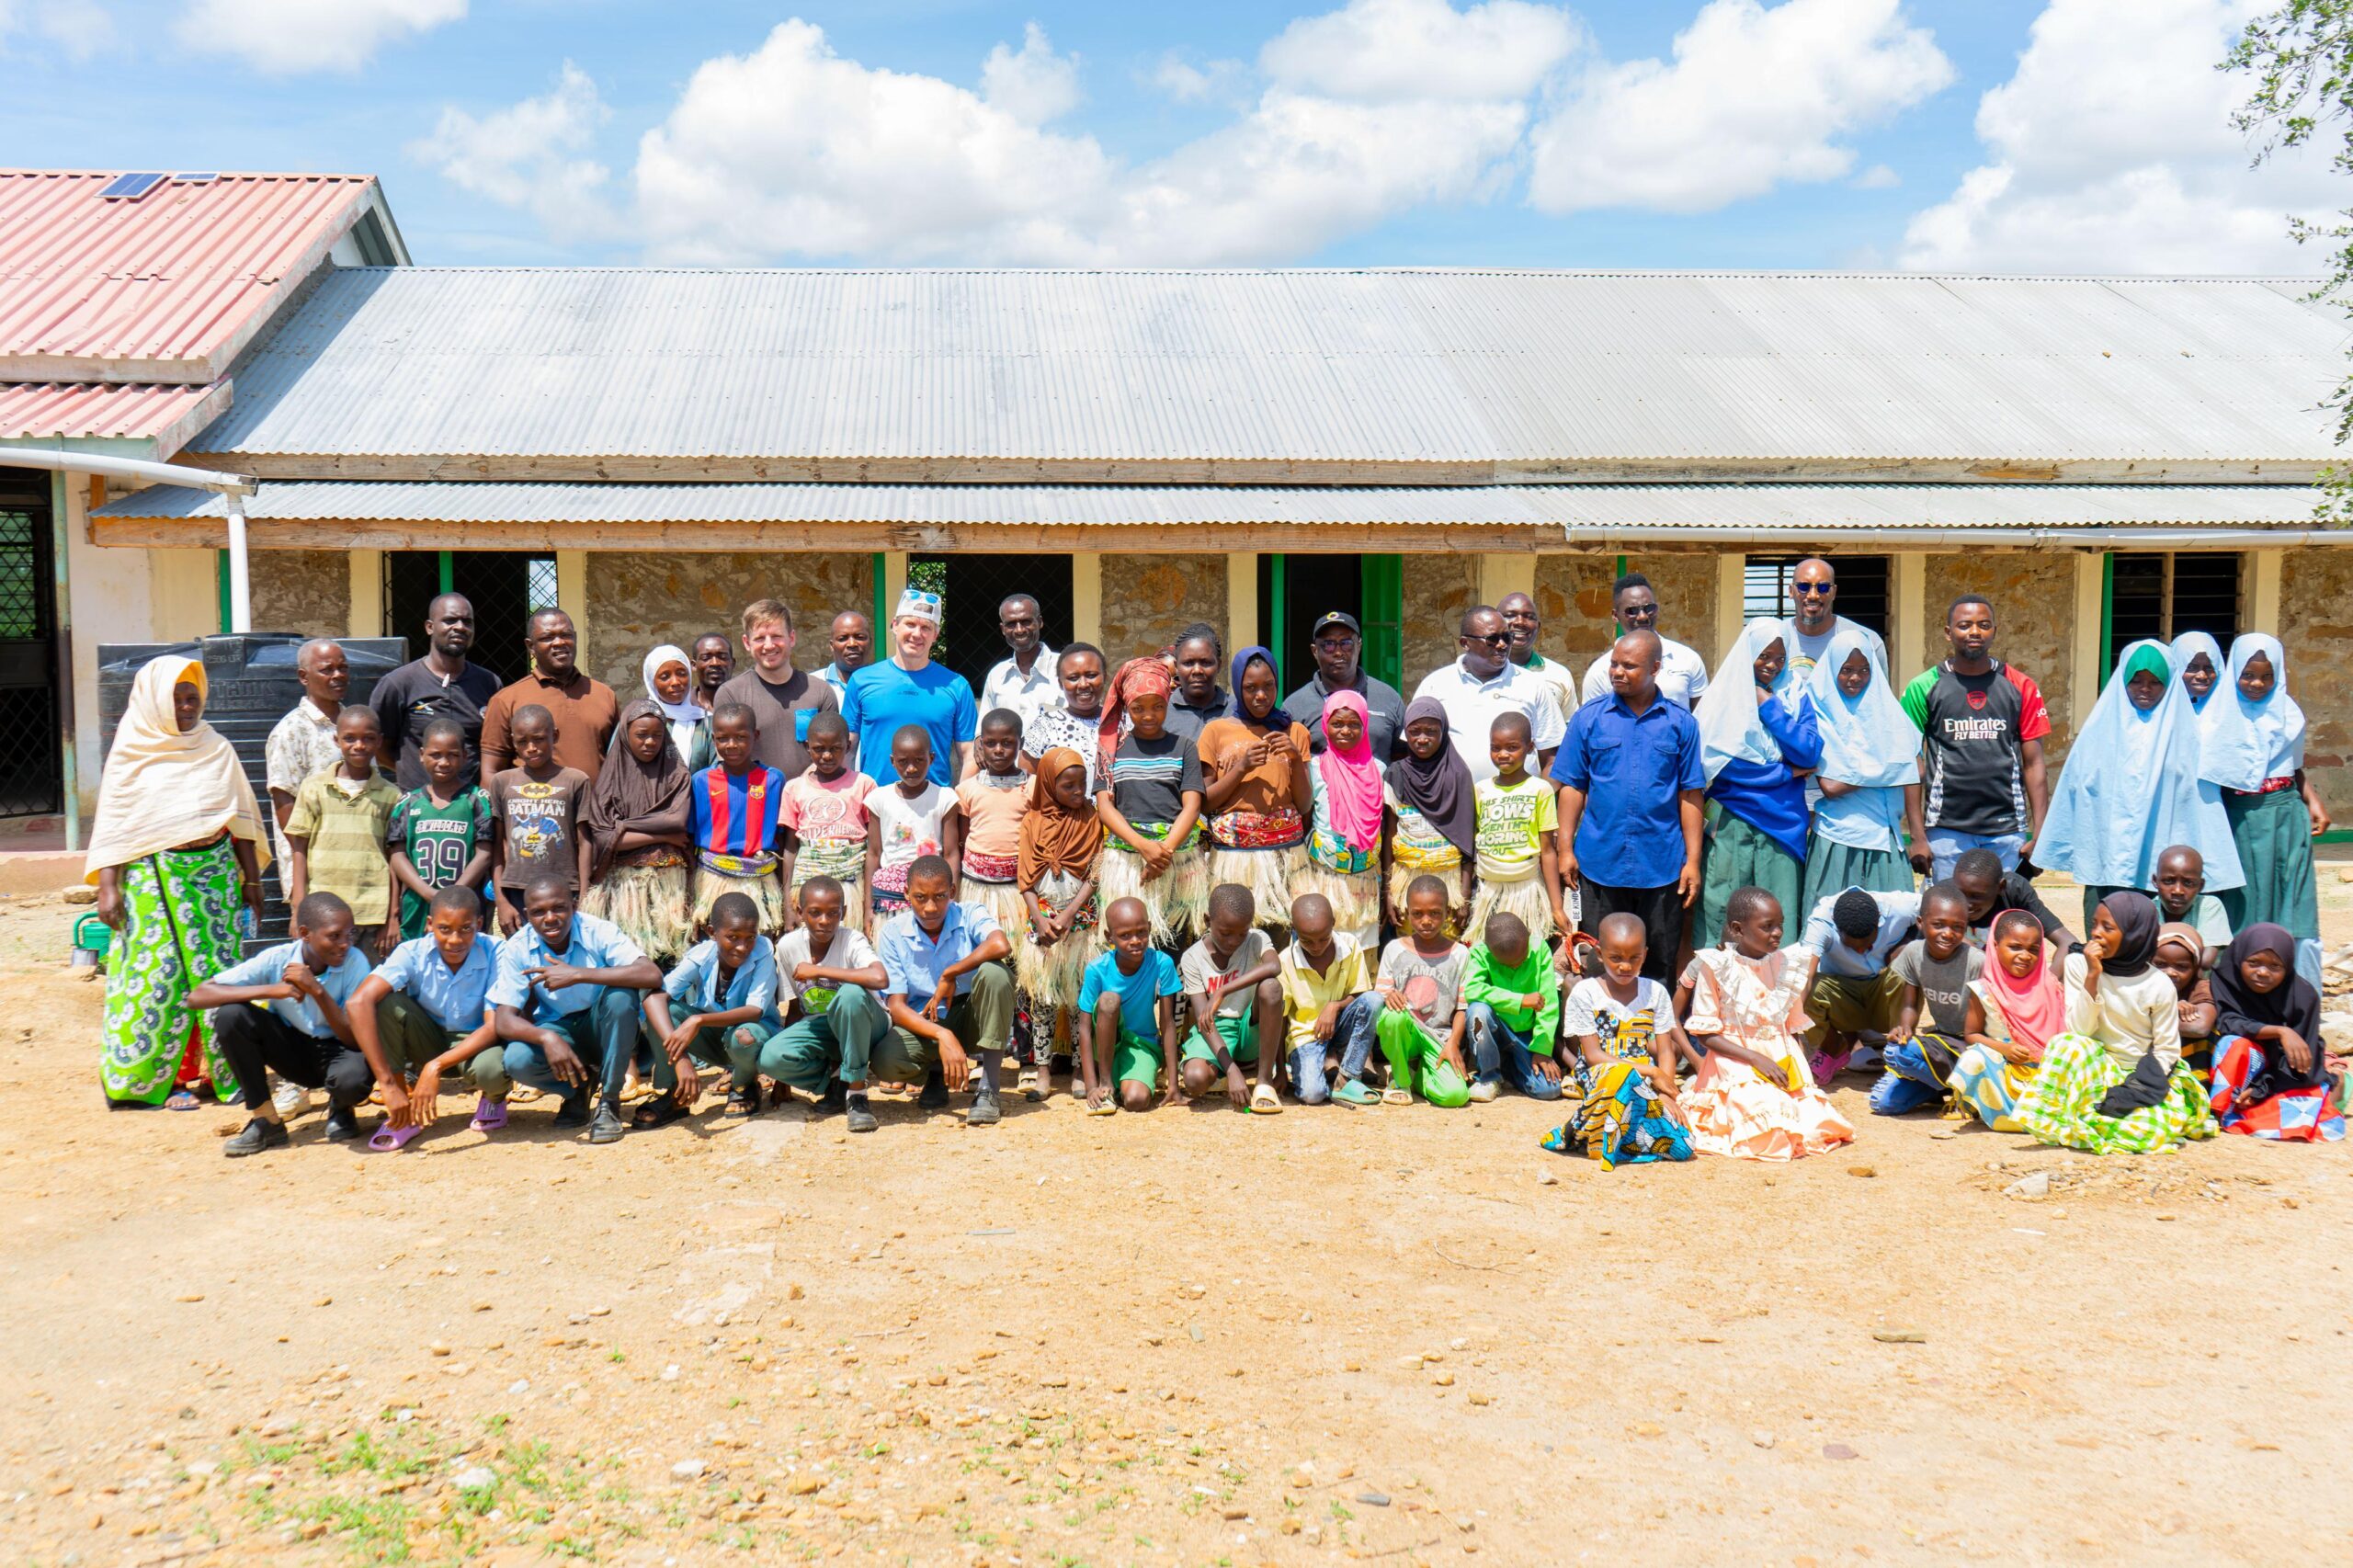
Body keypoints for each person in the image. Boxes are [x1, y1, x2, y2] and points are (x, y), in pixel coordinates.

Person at [89, 655, 268, 1109]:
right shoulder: (133, 752)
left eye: (193, 698)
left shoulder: (216, 748)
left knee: (219, 974)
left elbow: (239, 820)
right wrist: (108, 888)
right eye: (177, 698)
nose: (187, 707)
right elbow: (116, 825)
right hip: (154, 882)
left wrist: (252, 880)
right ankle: (161, 1082)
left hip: (215, 881)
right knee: (159, 978)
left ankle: (220, 1072)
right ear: (153, 701)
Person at [2035, 639, 2243, 931]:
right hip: (2107, 853)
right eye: (2136, 681)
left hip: (2161, 855)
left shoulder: (2187, 736)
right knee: (2106, 930)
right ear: (2122, 680)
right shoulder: (2098, 732)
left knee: (2155, 934)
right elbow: (2077, 792)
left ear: (2169, 685)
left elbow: (2197, 802)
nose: (2145, 689)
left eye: (2155, 682)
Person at [1553, 631, 1705, 983]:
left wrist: (1693, 862)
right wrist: (1565, 850)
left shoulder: (1681, 724)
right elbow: (1573, 787)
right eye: (1614, 664)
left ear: (1655, 668)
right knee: (1597, 960)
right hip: (1598, 863)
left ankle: (1652, 1035)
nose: (1617, 672)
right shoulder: (1588, 719)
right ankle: (1599, 1035)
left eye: (1629, 666)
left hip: (1662, 865)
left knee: (1658, 961)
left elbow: (1690, 794)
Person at [2015, 892, 2215, 1153]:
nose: (2096, 933)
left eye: (2107, 927)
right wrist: (2093, 976)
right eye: (2095, 924)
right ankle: (2072, 1116)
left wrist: (2128, 1093)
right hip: (2095, 1068)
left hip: (2140, 1076)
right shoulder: (2079, 965)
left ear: (2135, 934)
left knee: (2146, 1134)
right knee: (2065, 1043)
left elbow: (2167, 1051)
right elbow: (2079, 1030)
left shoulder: (2158, 984)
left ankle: (2095, 1116)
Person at [1674, 887, 1856, 1161]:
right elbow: (1706, 1035)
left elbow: (1792, 1029)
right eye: (1767, 926)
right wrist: (1756, 1059)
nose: (1778, 933)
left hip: (1782, 1061)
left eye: (1780, 925)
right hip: (1733, 1063)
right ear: (1738, 929)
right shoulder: (1716, 966)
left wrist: (1798, 1071)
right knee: (1764, 1118)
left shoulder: (1787, 964)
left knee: (1813, 1120)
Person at [195, 892, 375, 1154]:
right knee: (231, 1015)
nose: (345, 944)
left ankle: (341, 1107)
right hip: (293, 1049)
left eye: (350, 934)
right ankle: (267, 1121)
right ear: (305, 933)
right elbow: (198, 996)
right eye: (334, 936)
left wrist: (317, 991)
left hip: (340, 1048)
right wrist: (271, 990)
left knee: (353, 1081)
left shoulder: (355, 961)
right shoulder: (277, 958)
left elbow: (353, 1038)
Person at [488, 873, 663, 1143]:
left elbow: (651, 974)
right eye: (538, 912)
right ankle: (578, 1088)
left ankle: (609, 1102)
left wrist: (579, 974)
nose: (549, 918)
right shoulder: (518, 948)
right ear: (526, 914)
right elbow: (504, 1020)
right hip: (560, 1030)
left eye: (559, 907)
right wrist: (547, 1037)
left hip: (605, 1026)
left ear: (574, 905)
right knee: (517, 1059)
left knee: (620, 997)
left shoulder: (597, 930)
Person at [1901, 596, 2051, 881]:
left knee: (2004, 919)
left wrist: (2041, 831)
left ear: (1994, 630)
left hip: (2007, 832)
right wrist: (1917, 836)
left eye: (1983, 625)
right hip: (1946, 831)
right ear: (1948, 632)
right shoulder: (1924, 686)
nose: (1974, 632)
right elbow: (1910, 763)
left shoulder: (2021, 686)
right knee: (1946, 915)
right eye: (1964, 625)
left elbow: (2034, 764)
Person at [347, 885, 506, 1149]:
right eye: (445, 929)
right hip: (428, 1038)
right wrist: (387, 1084)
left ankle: (494, 1098)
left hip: (476, 1044)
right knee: (386, 1002)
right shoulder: (411, 952)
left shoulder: (496, 951)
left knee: (494, 1072)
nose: (455, 940)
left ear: (479, 924)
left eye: (466, 929)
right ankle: (402, 1112)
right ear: (430, 925)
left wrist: (435, 1067)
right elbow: (357, 1002)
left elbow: (493, 1027)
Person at [1695, 619, 1821, 948]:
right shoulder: (1724, 697)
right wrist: (1782, 773)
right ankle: (1718, 989)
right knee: (1723, 910)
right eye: (1764, 656)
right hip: (1732, 823)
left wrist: (1769, 706)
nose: (1772, 666)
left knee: (1777, 918)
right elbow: (1724, 768)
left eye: (1780, 658)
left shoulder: (1794, 693)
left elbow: (1808, 752)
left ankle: (1778, 994)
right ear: (1747, 653)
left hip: (1783, 825)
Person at [1543, 911, 1696, 1168]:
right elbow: (1593, 1056)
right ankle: (1594, 1131)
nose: (1625, 966)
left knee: (1684, 1146)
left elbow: (1666, 1050)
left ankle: (1607, 1138)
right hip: (1602, 1079)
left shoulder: (1655, 993)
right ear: (1600, 954)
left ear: (1645, 955)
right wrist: (1652, 1071)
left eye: (1634, 958)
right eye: (1616, 958)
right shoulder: (1586, 993)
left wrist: (1665, 1092)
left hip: (1644, 1086)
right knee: (1619, 1076)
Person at [874, 855, 1017, 1126]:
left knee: (996, 972)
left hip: (973, 1018)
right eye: (920, 897)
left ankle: (989, 1088)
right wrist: (943, 1035)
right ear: (906, 894)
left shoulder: (970, 913)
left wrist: (952, 972)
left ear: (952, 892)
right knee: (885, 1061)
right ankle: (936, 1075)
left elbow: (1000, 945)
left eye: (940, 896)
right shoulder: (893, 932)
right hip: (929, 1022)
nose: (930, 907)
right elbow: (896, 1006)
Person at [742, 876, 892, 1132]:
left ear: (843, 913)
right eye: (815, 913)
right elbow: (797, 1007)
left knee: (851, 995)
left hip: (867, 1023)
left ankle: (857, 1094)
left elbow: (879, 978)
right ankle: (835, 1081)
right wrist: (781, 1078)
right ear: (800, 913)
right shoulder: (789, 946)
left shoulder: (852, 940)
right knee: (770, 1058)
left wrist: (820, 972)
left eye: (833, 913)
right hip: (822, 1027)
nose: (825, 921)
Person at [2208, 634, 2327, 943]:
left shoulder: (2288, 713)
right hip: (2239, 817)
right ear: (2234, 673)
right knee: (2244, 898)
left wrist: (2312, 801)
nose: (2257, 684)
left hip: (2286, 814)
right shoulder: (2218, 716)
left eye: (2266, 676)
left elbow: (2292, 764)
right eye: (2248, 675)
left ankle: (2288, 971)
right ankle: (2240, 972)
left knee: (2290, 897)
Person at [1798, 628, 1921, 918]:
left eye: (1864, 670)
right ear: (1831, 669)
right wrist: (1889, 769)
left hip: (1885, 838)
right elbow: (1830, 786)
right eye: (1846, 670)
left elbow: (1916, 769)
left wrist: (1918, 836)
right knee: (1828, 927)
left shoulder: (1888, 712)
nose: (1855, 678)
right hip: (1836, 837)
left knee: (1891, 925)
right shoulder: (1817, 711)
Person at [1197, 646, 1313, 937]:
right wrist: (1242, 768)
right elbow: (1206, 803)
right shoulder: (1216, 731)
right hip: (1233, 860)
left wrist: (1296, 760)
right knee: (1234, 936)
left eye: (1269, 686)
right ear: (1238, 687)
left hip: (1284, 858)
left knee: (1282, 935)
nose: (1261, 695)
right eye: (1250, 688)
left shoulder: (1293, 731)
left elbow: (1304, 804)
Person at [635, 891, 779, 1126]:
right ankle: (676, 1094)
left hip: (755, 1038)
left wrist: (698, 1021)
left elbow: (755, 1011)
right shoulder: (702, 955)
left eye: (750, 937)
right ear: (712, 932)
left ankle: (744, 1085)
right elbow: (654, 998)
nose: (742, 947)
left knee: (743, 1035)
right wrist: (681, 1059)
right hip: (716, 1039)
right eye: (733, 937)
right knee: (665, 1012)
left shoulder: (763, 952)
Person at [1096, 658, 1209, 947]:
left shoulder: (1184, 747)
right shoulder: (1112, 749)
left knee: (1176, 941)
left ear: (1168, 702)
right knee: (1131, 943)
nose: (1148, 716)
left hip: (1178, 859)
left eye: (1157, 706)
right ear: (1127, 706)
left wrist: (1164, 851)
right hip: (1127, 860)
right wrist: (1143, 846)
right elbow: (1105, 807)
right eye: (1138, 708)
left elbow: (1192, 806)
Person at [580, 699, 695, 964]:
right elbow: (604, 838)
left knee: (668, 954)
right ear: (625, 734)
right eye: (641, 735)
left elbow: (677, 820)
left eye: (657, 735)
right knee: (630, 956)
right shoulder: (610, 780)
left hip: (670, 887)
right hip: (625, 890)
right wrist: (662, 835)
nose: (650, 742)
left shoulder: (677, 775)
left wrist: (625, 825)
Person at [284, 706, 401, 957]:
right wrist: (299, 910)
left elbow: (395, 859)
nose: (359, 745)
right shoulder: (313, 788)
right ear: (336, 740)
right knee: (322, 984)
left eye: (368, 738)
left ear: (379, 741)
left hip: (371, 913)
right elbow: (299, 850)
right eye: (350, 738)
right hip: (321, 914)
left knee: (366, 985)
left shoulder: (392, 795)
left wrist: (392, 917)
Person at [2208, 924, 2342, 1142]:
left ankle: (2335, 1083)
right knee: (2233, 1044)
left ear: (2288, 967)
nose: (2262, 972)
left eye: (2275, 966)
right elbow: (2228, 1022)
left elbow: (2301, 1064)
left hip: (2281, 1076)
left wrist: (2263, 1088)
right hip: (2237, 1068)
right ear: (2239, 958)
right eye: (2253, 963)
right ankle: (2220, 1109)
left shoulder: (2303, 997)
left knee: (2309, 1109)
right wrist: (2280, 1031)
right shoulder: (2224, 980)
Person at [1015, 746, 1104, 1059]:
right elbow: (1025, 879)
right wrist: (1040, 919)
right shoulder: (1032, 822)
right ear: (1050, 784)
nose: (1079, 791)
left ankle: (1082, 1068)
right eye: (1068, 786)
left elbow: (1095, 874)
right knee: (1044, 997)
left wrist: (1069, 913)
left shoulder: (1091, 818)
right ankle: (1042, 1068)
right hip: (1042, 920)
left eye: (1082, 783)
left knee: (1083, 996)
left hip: (1081, 920)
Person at [1867, 883, 1983, 1116]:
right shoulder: (1913, 953)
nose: (1948, 933)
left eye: (1957, 927)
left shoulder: (1977, 962)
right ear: (1920, 923)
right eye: (1938, 925)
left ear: (1966, 928)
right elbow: (1910, 1005)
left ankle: (1961, 1082)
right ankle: (1947, 1087)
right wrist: (1905, 1027)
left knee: (1895, 1054)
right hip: (1942, 1040)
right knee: (1883, 1103)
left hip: (1973, 1047)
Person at [1415, 606, 1566, 783]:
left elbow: (1551, 758)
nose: (1502, 645)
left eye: (1507, 637)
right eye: (1492, 639)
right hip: (1452, 804)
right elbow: (1413, 747)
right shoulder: (1435, 685)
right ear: (1465, 643)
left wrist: (1547, 801)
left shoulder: (1532, 685)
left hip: (1518, 806)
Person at [843, 588, 976, 787]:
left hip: (935, 807)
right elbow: (848, 748)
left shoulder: (957, 686)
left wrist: (959, 805)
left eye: (926, 627)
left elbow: (969, 754)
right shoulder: (862, 680)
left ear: (935, 635)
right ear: (895, 625)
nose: (917, 634)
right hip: (876, 803)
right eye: (910, 624)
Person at [372, 594, 503, 791]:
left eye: (467, 622)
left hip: (472, 809)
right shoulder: (398, 683)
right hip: (418, 809)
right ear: (429, 627)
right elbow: (380, 748)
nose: (460, 627)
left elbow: (497, 749)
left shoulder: (489, 683)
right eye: (450, 620)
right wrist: (415, 773)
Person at [1950, 909, 2064, 1132]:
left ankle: (2036, 1113)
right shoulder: (1983, 990)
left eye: (2033, 950)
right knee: (1973, 1058)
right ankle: (2006, 1114)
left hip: (2047, 1074)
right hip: (2005, 1070)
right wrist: (2004, 1048)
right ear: (1994, 947)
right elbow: (1971, 1034)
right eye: (2015, 947)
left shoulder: (2051, 986)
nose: (2025, 956)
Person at [1177, 882, 1286, 1113]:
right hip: (1215, 1030)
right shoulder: (1192, 958)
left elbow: (1274, 966)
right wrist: (1231, 1070)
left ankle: (1264, 1082)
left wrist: (1222, 990)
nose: (1234, 941)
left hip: (1251, 1027)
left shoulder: (1256, 939)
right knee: (1195, 1080)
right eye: (1225, 933)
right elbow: (1202, 1020)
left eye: (1242, 933)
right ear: (1207, 921)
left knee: (1271, 988)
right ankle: (1228, 1069)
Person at [1369, 874, 1472, 1108]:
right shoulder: (1394, 949)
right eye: (1418, 914)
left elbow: (1462, 1008)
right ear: (1407, 913)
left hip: (1439, 1038)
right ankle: (1400, 1079)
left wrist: (1453, 1043)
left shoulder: (1460, 954)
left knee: (1455, 1096)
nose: (1426, 921)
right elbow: (1381, 997)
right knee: (1393, 1018)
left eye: (1435, 913)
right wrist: (1390, 997)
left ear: (1447, 912)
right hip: (1405, 1033)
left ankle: (1418, 1077)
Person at [486, 705, 590, 937]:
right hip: (516, 888)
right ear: (513, 742)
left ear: (555, 736)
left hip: (564, 889)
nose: (531, 748)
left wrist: (583, 895)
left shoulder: (575, 780)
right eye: (523, 742)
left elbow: (585, 843)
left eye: (539, 739)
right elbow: (497, 845)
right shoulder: (502, 782)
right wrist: (501, 901)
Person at [479, 609, 619, 782]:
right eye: (547, 638)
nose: (559, 642)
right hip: (534, 807)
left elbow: (619, 762)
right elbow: (490, 771)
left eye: (566, 635)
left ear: (575, 638)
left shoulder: (604, 694)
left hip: (595, 807)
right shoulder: (506, 700)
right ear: (531, 646)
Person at [388, 718, 493, 944]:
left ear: (465, 756)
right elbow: (397, 855)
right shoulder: (407, 803)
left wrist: (453, 895)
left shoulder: (477, 800)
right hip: (417, 904)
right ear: (422, 755)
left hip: (465, 904)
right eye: (436, 755)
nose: (444, 762)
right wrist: (428, 893)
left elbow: (485, 853)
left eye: (452, 755)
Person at [1798, 885, 1919, 1081]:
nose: (1862, 951)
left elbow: (1935, 908)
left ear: (1879, 922)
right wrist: (1790, 1030)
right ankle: (1834, 1047)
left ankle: (1899, 1053)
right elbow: (1805, 974)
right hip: (1843, 1000)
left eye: (1868, 944)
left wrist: (1907, 941)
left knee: (1904, 969)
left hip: (1884, 999)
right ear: (1837, 929)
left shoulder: (1900, 907)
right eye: (1853, 947)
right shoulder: (1822, 922)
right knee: (1808, 988)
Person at [688, 703, 790, 937]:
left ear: (756, 736)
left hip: (760, 880)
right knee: (713, 941)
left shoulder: (773, 780)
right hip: (712, 880)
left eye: (741, 737)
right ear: (714, 739)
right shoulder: (701, 781)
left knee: (760, 939)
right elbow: (690, 839)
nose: (732, 745)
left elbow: (783, 840)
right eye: (723, 739)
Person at [714, 597, 840, 784]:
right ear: (746, 643)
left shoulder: (820, 692)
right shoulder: (731, 695)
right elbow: (725, 758)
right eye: (759, 638)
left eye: (776, 636)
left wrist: (797, 791)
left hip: (808, 801)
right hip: (754, 800)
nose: (769, 645)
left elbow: (834, 751)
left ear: (791, 638)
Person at [1467, 712, 1562, 953]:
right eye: (1495, 748)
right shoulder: (1481, 790)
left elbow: (1548, 851)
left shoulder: (1541, 790)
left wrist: (1556, 906)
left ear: (1530, 748)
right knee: (1487, 951)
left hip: (1526, 889)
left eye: (1512, 747)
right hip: (1489, 889)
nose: (1503, 754)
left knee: (1526, 952)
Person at [1079, 896, 1185, 1113]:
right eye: (1125, 936)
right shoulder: (1097, 969)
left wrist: (1174, 1083)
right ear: (1110, 937)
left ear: (1150, 928)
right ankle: (1105, 1083)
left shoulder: (1161, 963)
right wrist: (1091, 1087)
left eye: (1141, 932)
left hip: (1141, 1044)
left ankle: (1126, 1081)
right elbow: (1083, 1028)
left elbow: (1167, 1023)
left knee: (1136, 1100)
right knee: (1109, 1000)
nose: (1135, 940)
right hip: (1104, 1045)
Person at [1275, 893, 1381, 1108]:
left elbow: (1361, 994)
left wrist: (1336, 1006)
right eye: (1307, 940)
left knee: (1374, 1000)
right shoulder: (1285, 961)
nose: (1316, 946)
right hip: (1307, 1037)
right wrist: (1277, 1070)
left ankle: (1347, 1077)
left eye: (1324, 938)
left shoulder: (1350, 945)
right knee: (1312, 1095)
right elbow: (1280, 1018)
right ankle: (1306, 1066)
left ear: (1333, 923)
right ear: (1293, 929)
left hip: (1341, 1027)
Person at [1302, 689, 1387, 947]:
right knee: (1326, 943)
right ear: (1326, 726)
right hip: (1325, 876)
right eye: (1337, 724)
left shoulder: (1379, 769)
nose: (1345, 731)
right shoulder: (1315, 768)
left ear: (1365, 725)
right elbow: (1307, 817)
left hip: (1365, 879)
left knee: (1363, 949)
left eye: (1354, 724)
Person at [1383, 697, 1474, 937]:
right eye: (1414, 732)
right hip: (1406, 879)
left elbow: (1466, 841)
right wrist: (1389, 891)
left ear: (1443, 731)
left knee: (1447, 946)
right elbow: (1390, 836)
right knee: (1410, 945)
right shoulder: (1396, 773)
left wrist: (1464, 896)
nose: (1422, 739)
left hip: (1448, 882)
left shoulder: (1458, 775)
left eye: (1431, 732)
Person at [778, 710, 873, 932]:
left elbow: (873, 849)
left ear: (848, 747)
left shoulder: (863, 784)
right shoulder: (794, 788)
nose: (827, 756)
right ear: (807, 747)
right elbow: (791, 849)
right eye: (819, 749)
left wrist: (868, 903)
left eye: (835, 748)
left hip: (850, 885)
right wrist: (788, 905)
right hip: (806, 883)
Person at [1461, 911, 1564, 1104]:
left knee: (1548, 1090)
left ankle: (1508, 1070)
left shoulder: (1540, 948)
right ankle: (1489, 1076)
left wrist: (1542, 1048)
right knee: (1478, 1011)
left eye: (1521, 959)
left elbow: (1549, 1003)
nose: (1516, 966)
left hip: (1527, 1035)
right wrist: (1519, 1000)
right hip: (1495, 1031)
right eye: (1507, 964)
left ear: (1528, 936)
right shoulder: (1480, 952)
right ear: (1490, 951)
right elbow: (1472, 990)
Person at [264, 638, 348, 865]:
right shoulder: (290, 731)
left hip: (354, 860)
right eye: (327, 670)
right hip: (313, 866)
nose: (338, 675)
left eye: (342, 668)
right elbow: (285, 802)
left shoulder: (354, 723)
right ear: (304, 676)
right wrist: (312, 860)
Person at [866, 725, 961, 927]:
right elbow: (874, 853)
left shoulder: (945, 798)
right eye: (903, 762)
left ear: (932, 759)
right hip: (890, 897)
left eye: (919, 760)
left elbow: (951, 853)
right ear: (892, 761)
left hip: (932, 895)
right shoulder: (879, 799)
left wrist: (951, 901)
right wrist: (867, 907)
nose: (911, 768)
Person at [1280, 610, 1406, 758]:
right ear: (1314, 651)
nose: (1338, 652)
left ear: (1359, 646)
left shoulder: (1388, 698)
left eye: (1346, 643)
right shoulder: (1295, 706)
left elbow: (1403, 758)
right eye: (1328, 645)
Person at [1577, 573, 1709, 709]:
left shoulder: (1687, 659)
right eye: (1632, 610)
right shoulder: (1600, 672)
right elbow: (1591, 724)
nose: (1642, 616)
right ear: (1615, 616)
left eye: (1649, 608)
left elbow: (1701, 718)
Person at [956, 709, 1032, 937]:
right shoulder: (967, 789)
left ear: (1021, 743)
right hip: (976, 885)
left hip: (1017, 889)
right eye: (990, 743)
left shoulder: (1033, 787)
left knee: (1015, 946)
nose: (998, 750)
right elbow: (962, 840)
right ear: (981, 745)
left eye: (1007, 743)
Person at [1779, 558, 1888, 685]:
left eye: (1823, 587)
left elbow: (1879, 701)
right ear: (1791, 591)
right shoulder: (1773, 639)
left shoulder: (1867, 642)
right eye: (1804, 587)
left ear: (1834, 592)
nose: (1813, 595)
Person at [1949, 846, 2078, 951]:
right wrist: (1981, 959)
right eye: (1960, 894)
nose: (1967, 904)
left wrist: (2049, 981)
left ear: (2001, 887)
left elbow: (2068, 942)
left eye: (1977, 896)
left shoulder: (2016, 890)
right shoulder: (1943, 897)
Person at [1019, 643, 1108, 792]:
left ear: (1105, 677)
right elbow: (1025, 786)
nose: (1083, 684)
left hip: (1119, 815)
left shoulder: (1123, 722)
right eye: (1073, 678)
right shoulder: (1044, 727)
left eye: (1091, 675)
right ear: (1061, 684)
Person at [1496, 591, 1581, 723]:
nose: (1519, 622)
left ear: (1538, 626)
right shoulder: (1483, 673)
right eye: (1510, 615)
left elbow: (1569, 729)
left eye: (1529, 617)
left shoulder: (1559, 675)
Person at [980, 593, 1060, 732]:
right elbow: (984, 732)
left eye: (1026, 621)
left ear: (1040, 622)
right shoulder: (996, 676)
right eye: (1011, 624)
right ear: (1003, 629)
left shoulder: (1065, 668)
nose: (1019, 630)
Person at [2154, 921, 2221, 1083]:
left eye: (2182, 967)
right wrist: (2169, 1009)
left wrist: (2148, 1018)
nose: (2170, 972)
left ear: (2195, 967)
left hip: (2190, 1065)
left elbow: (2199, 1027)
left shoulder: (2201, 987)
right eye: (2161, 965)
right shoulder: (2140, 983)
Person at [642, 644, 714, 771]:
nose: (675, 682)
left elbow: (716, 774)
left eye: (682, 673)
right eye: (665, 677)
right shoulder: (639, 720)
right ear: (651, 682)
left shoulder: (706, 722)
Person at [2151, 845, 2233, 954]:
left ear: (2201, 885)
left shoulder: (2209, 906)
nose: (2178, 891)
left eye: (2188, 883)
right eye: (2169, 881)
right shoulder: (2147, 911)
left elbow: (2206, 961)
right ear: (2155, 881)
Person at [1165, 624, 1229, 747]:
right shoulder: (1163, 714)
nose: (1197, 670)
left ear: (1219, 665)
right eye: (1188, 663)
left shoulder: (1237, 710)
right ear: (1176, 666)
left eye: (1206, 663)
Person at [814, 609, 873, 700]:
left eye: (860, 637)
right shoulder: (813, 685)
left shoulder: (885, 684)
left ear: (870, 642)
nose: (852, 644)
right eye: (842, 639)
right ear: (832, 645)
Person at [690, 631, 735, 715]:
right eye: (706, 658)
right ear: (694, 665)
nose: (715, 663)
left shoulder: (745, 701)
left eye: (723, 657)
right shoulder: (683, 704)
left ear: (732, 663)